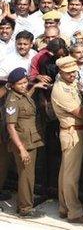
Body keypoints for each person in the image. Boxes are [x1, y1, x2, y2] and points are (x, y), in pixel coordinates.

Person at [50, 55, 83, 223]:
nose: (73, 75)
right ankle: (74, 212)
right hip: (72, 132)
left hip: (75, 131)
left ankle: (64, 206)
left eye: (74, 72)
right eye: (68, 73)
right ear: (60, 71)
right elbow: (80, 113)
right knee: (71, 176)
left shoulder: (69, 83)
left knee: (65, 172)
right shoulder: (60, 89)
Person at [4, 67, 45, 218]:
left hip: (31, 140)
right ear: (12, 85)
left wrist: (34, 87)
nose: (23, 85)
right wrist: (21, 149)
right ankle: (25, 209)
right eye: (20, 83)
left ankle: (24, 204)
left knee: (28, 175)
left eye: (25, 82)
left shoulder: (22, 95)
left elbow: (26, 100)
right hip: (23, 143)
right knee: (26, 176)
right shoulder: (12, 101)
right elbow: (10, 127)